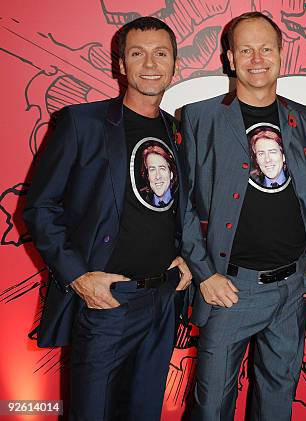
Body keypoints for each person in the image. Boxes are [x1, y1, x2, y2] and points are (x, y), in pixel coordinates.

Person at [23, 17, 192, 421]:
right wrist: (79, 276)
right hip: (107, 303)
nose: (150, 63)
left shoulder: (178, 130)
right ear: (121, 65)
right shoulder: (83, 123)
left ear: (175, 65)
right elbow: (39, 207)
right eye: (138, 54)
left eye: (160, 54)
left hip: (162, 300)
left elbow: (176, 206)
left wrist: (184, 254)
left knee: (144, 411)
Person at [179, 12, 306, 421]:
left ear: (282, 54)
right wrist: (205, 273)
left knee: (277, 401)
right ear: (230, 58)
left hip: (292, 287)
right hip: (230, 288)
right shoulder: (200, 117)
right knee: (210, 407)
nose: (256, 58)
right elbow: (183, 203)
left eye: (266, 48)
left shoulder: (302, 117)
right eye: (246, 49)